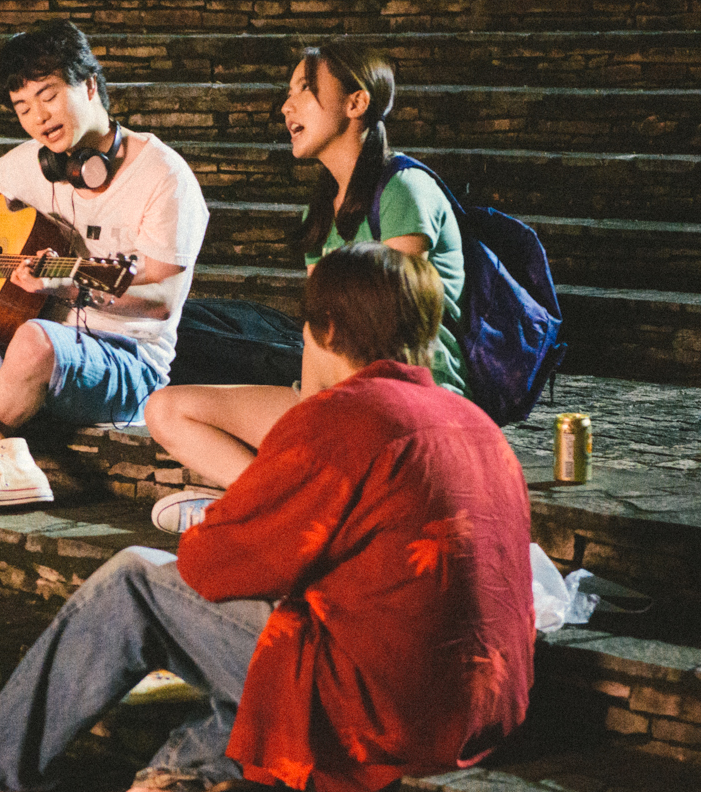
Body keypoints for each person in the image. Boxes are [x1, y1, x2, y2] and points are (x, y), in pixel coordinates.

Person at [0, 245, 533, 792]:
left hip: (383, 718)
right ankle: (203, 762)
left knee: (137, 582)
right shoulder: (471, 421)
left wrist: (243, 501)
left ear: (326, 329)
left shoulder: (343, 422)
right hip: (485, 709)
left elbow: (215, 567)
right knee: (296, 610)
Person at [0, 20, 209, 507]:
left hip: (126, 364)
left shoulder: (164, 176)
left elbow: (159, 303)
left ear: (90, 85)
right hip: (31, 350)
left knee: (33, 339)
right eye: (23, 107)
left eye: (48, 96)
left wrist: (65, 288)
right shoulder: (37, 160)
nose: (38, 118)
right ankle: (2, 460)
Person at [144, 41, 467, 533]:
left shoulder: (405, 190)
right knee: (166, 408)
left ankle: (261, 509)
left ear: (355, 104)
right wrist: (311, 409)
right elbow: (320, 328)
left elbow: (391, 332)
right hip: (340, 399)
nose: (286, 106)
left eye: (304, 91)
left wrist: (322, 422)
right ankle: (277, 504)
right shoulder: (323, 208)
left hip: (404, 407)